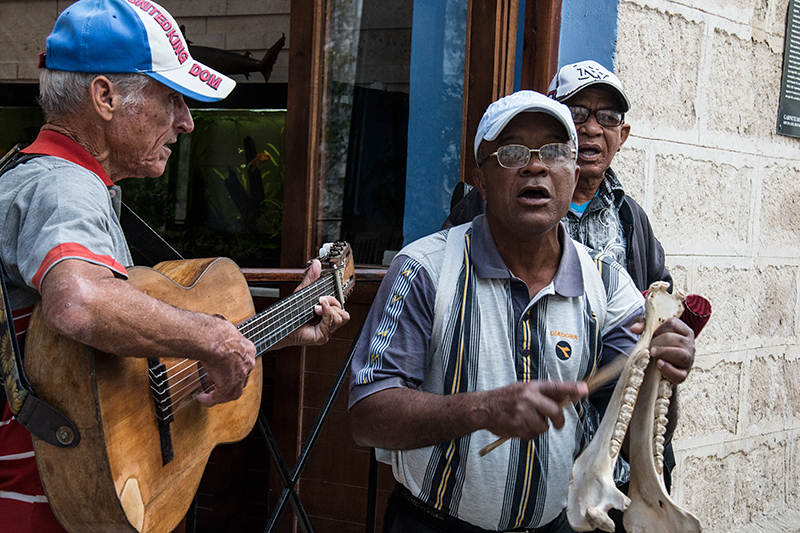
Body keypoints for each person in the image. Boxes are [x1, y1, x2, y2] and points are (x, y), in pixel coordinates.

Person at [0, 1, 349, 531]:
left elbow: (98, 359)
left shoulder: (56, 180)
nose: (185, 123)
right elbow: (80, 302)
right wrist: (213, 338)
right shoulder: (63, 186)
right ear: (105, 97)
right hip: (33, 503)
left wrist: (270, 331)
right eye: (171, 100)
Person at [348, 91, 694, 532]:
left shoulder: (607, 286)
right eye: (512, 152)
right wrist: (481, 410)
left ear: (572, 171)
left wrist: (660, 369)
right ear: (482, 180)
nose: (536, 166)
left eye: (554, 151)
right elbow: (367, 415)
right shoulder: (426, 270)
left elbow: (633, 434)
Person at [444, 60, 670, 294]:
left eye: (609, 117)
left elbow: (659, 291)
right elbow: (447, 276)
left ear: (622, 136)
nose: (592, 129)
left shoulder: (630, 216)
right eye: (577, 114)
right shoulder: (494, 199)